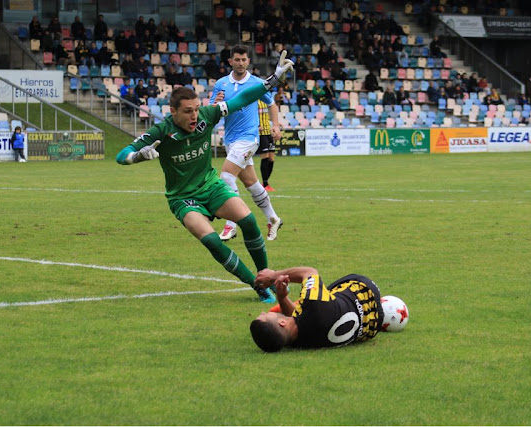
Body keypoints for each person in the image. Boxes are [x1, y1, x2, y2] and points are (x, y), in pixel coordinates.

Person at [115, 55, 294, 303]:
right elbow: (120, 155)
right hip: (183, 198)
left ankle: (267, 277)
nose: (194, 116)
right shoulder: (161, 131)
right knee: (212, 241)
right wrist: (136, 157)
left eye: (197, 109)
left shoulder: (207, 116)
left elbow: (242, 98)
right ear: (173, 112)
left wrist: (272, 80)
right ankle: (258, 286)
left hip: (211, 186)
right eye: (188, 112)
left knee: (249, 222)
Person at [210, 45, 284, 242]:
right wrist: (215, 104)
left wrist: (275, 125)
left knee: (226, 176)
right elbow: (211, 112)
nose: (241, 63)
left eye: (244, 60)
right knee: (251, 183)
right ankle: (273, 218)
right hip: (231, 139)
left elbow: (271, 104)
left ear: (248, 61)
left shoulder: (256, 83)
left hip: (249, 138)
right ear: (230, 61)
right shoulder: (221, 84)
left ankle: (231, 225)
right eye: (237, 60)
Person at [250, 266, 384, 352]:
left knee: (315, 309)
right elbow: (309, 271)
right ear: (282, 322)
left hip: (372, 327)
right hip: (365, 291)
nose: (263, 312)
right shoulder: (314, 304)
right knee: (318, 293)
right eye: (264, 315)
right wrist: (273, 276)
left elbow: (298, 318)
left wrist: (282, 297)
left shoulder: (296, 341)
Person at [256, 100, 277, 192]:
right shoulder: (254, 101)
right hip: (260, 133)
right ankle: (265, 184)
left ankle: (265, 182)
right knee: (265, 156)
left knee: (272, 158)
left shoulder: (266, 100)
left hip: (268, 130)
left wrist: (276, 123)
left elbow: (270, 114)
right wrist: (256, 126)